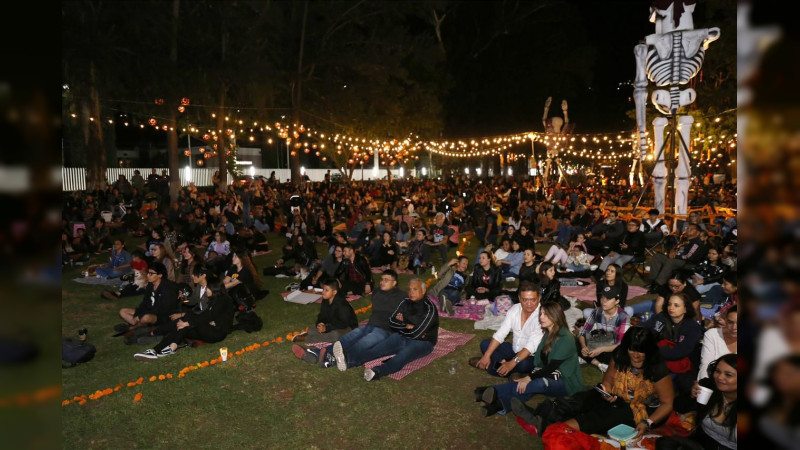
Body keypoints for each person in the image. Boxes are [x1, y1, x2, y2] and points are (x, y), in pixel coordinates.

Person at [515, 327, 674, 439]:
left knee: (602, 416)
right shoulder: (620, 355)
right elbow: (608, 379)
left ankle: (553, 430)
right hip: (617, 396)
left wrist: (648, 422)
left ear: (649, 351)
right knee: (583, 399)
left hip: (640, 408)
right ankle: (541, 417)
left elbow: (667, 403)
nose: (636, 355)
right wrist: (608, 391)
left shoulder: (656, 367)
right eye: (632, 349)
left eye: (641, 351)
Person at [476, 302, 584, 417]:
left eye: (546, 314)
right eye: (541, 313)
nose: (541, 317)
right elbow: (540, 362)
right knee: (528, 388)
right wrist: (528, 376)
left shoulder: (566, 338)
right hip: (546, 373)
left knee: (538, 383)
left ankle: (491, 391)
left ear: (555, 316)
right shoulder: (547, 333)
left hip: (565, 382)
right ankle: (498, 405)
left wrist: (529, 377)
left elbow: (550, 367)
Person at [312, 269, 406, 370]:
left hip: (385, 329)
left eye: (386, 280)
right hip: (370, 325)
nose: (382, 282)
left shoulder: (402, 297)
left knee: (363, 343)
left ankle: (336, 359)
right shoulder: (377, 292)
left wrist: (402, 319)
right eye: (382, 279)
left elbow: (408, 315)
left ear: (394, 283)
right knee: (349, 338)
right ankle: (318, 353)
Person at [134, 279, 235, 361]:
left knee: (186, 322)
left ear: (215, 289)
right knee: (182, 324)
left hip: (217, 332)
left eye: (208, 289)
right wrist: (186, 322)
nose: (206, 291)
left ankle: (157, 341)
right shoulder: (214, 299)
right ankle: (162, 348)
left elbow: (208, 316)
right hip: (208, 328)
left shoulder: (224, 300)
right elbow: (204, 315)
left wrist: (188, 323)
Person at [362, 278, 439, 382]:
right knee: (379, 348)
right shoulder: (406, 302)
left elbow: (416, 333)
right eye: (410, 289)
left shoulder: (429, 308)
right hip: (404, 336)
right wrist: (406, 325)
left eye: (415, 289)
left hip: (424, 342)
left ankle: (377, 372)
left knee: (403, 356)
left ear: (423, 290)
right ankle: (351, 358)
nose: (411, 292)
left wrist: (403, 326)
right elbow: (392, 322)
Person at [656, 354, 737, 450]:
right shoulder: (708, 386)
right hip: (702, 443)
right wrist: (691, 396)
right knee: (665, 444)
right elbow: (678, 407)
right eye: (717, 371)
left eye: (728, 375)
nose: (719, 377)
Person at [467, 282, 543, 378]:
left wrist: (511, 363)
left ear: (539, 298)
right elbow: (501, 333)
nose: (529, 304)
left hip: (530, 356)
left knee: (524, 365)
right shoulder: (515, 309)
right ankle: (507, 369)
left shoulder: (543, 316)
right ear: (519, 298)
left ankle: (491, 367)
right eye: (525, 300)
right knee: (485, 344)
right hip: (514, 349)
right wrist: (487, 355)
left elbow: (531, 346)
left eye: (533, 300)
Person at [644, 293, 703, 395]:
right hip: (658, 359)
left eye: (676, 305)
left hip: (683, 367)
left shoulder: (692, 327)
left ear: (685, 309)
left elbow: (679, 352)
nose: (671, 308)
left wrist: (652, 348)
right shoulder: (661, 318)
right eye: (669, 304)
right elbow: (644, 331)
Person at [578, 285, 631, 373]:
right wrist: (584, 347)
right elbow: (583, 332)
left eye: (608, 299)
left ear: (617, 301)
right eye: (603, 298)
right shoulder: (597, 312)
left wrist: (601, 349)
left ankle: (588, 358)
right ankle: (599, 364)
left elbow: (621, 344)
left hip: (612, 348)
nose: (604, 301)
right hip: (598, 342)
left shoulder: (623, 317)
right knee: (576, 342)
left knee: (622, 355)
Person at [291, 279, 357, 348]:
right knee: (311, 330)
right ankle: (311, 334)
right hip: (332, 325)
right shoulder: (325, 300)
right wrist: (320, 324)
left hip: (348, 328)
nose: (323, 292)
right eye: (323, 289)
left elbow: (343, 324)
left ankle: (307, 338)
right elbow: (322, 315)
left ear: (334, 292)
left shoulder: (342, 305)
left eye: (326, 290)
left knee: (335, 335)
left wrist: (327, 328)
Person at [116, 262, 179, 331]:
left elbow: (159, 310)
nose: (148, 275)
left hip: (161, 316)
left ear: (160, 275)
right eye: (148, 273)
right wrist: (138, 313)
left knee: (145, 317)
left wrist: (140, 316)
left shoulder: (166, 289)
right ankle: (138, 324)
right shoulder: (150, 285)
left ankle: (133, 327)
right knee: (122, 311)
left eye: (151, 274)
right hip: (149, 311)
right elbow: (145, 302)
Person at [646, 223, 706, 289]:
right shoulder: (685, 240)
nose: (688, 230)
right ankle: (653, 280)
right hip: (677, 259)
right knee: (657, 256)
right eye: (688, 228)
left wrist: (675, 256)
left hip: (687, 262)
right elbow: (675, 248)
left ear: (697, 233)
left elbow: (689, 256)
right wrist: (672, 251)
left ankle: (658, 285)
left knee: (671, 262)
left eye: (692, 229)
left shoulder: (696, 243)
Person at [698, 306, 737, 381]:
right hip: (714, 382)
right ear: (725, 320)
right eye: (730, 322)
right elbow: (705, 366)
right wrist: (706, 387)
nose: (734, 327)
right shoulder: (712, 335)